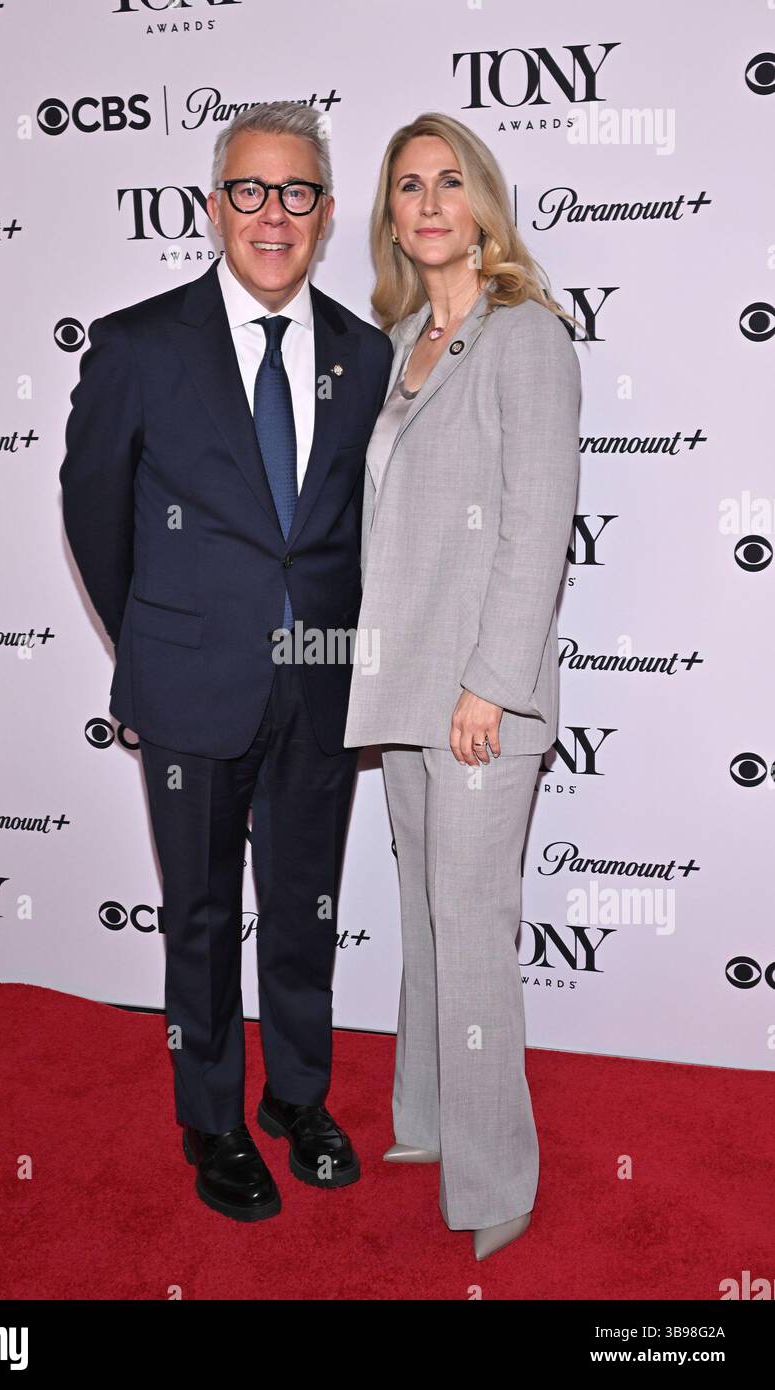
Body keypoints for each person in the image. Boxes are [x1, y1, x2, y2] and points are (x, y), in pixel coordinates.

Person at [60, 101, 393, 1222]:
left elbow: (351, 532)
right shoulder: (138, 344)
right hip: (191, 684)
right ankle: (209, 1118)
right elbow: (94, 511)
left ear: (326, 212)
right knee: (199, 914)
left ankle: (297, 1096)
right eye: (248, 191)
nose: (272, 214)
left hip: (319, 679)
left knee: (303, 905)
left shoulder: (364, 349)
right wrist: (151, 638)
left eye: (296, 192)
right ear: (214, 208)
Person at [343, 112, 581, 1260]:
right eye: (406, 187)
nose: (428, 202)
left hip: (479, 696)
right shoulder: (404, 346)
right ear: (391, 217)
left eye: (448, 181)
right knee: (428, 917)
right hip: (402, 686)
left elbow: (536, 529)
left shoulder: (524, 335)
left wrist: (489, 683)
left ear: (481, 203)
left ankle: (497, 1182)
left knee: (474, 928)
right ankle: (428, 1119)